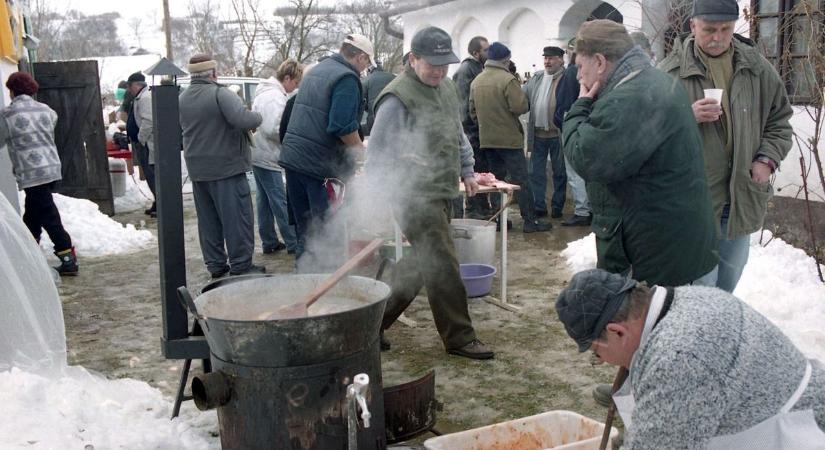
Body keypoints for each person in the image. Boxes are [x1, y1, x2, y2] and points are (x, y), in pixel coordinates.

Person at [555, 268, 825, 448]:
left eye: (597, 353)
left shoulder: (678, 358)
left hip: (797, 433)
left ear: (617, 331)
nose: (602, 360)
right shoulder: (683, 300)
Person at [366, 26, 494, 360]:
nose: (439, 71)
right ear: (413, 59)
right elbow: (376, 155)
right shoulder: (397, 98)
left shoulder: (447, 87)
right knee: (444, 264)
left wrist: (467, 170)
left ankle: (369, 325)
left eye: (444, 64)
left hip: (441, 190)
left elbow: (456, 132)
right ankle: (460, 337)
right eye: (432, 64)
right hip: (413, 196)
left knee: (421, 264)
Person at [562, 19, 718, 286]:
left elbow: (586, 158)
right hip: (677, 245)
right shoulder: (656, 81)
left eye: (579, 66)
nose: (578, 76)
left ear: (599, 62)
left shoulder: (629, 99)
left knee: (655, 314)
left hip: (655, 258)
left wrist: (580, 106)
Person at [658, 0, 793, 293]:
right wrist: (685, 116)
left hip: (740, 197)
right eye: (709, 30)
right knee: (701, 289)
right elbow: (646, 135)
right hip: (693, 203)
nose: (717, 37)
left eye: (725, 29)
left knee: (728, 284)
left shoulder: (757, 68)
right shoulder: (668, 74)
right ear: (693, 26)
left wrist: (766, 159)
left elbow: (780, 120)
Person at [278, 34, 373, 266]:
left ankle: (304, 279)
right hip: (320, 168)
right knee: (327, 233)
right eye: (367, 62)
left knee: (306, 231)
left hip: (294, 161)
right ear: (360, 57)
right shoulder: (346, 78)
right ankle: (327, 282)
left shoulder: (317, 70)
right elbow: (342, 126)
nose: (365, 68)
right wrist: (362, 153)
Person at [179, 53, 264, 278]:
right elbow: (243, 119)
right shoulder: (220, 94)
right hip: (226, 168)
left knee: (208, 221)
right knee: (236, 218)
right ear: (213, 73)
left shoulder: (182, 98)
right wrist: (258, 116)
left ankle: (216, 265)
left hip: (198, 170)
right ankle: (241, 265)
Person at [0, 71, 77, 275]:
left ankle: (67, 257)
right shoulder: (46, 110)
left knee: (49, 215)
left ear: (12, 90)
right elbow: (51, 126)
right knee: (33, 213)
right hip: (51, 167)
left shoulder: (7, 115)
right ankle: (29, 253)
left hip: (31, 172)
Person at [470, 42, 551, 233]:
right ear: (505, 60)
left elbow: (472, 112)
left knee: (496, 181)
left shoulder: (477, 81)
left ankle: (500, 221)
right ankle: (530, 221)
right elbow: (520, 107)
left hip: (487, 140)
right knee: (520, 180)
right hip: (509, 140)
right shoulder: (507, 80)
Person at [251, 59, 302, 256]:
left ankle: (269, 241)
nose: (295, 87)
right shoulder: (274, 97)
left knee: (264, 201)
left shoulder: (266, 93)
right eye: (295, 82)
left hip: (259, 152)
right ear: (287, 78)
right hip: (268, 155)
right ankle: (293, 242)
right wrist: (292, 138)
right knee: (280, 201)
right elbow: (274, 128)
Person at [524, 46, 568, 221]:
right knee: (536, 172)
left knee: (560, 172)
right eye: (545, 58)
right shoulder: (537, 78)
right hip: (538, 134)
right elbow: (522, 97)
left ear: (561, 60)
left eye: (551, 58)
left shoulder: (566, 77)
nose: (547, 62)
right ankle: (539, 206)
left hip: (558, 134)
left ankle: (557, 207)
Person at [553, 39, 592, 227]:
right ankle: (590, 209)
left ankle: (582, 211)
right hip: (588, 121)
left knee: (574, 171)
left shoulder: (571, 73)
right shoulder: (592, 70)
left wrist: (560, 121)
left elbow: (564, 101)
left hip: (573, 121)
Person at [452, 36, 491, 219]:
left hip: (477, 131)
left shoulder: (478, 68)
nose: (489, 53)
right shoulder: (467, 70)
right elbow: (463, 103)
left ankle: (481, 207)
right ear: (476, 53)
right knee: (473, 172)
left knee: (480, 170)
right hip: (471, 132)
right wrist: (472, 128)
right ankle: (475, 209)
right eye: (485, 50)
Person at [123, 72, 156, 217]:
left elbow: (148, 121)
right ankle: (158, 201)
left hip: (147, 143)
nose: (128, 89)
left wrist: (141, 138)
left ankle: (161, 203)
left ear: (136, 85)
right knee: (149, 174)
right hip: (143, 143)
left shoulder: (145, 98)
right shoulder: (140, 97)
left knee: (152, 174)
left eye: (129, 86)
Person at [361, 60, 395, 136]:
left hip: (374, 119)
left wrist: (368, 109)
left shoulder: (366, 80)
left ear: (370, 70)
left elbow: (361, 101)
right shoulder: (394, 77)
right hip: (394, 118)